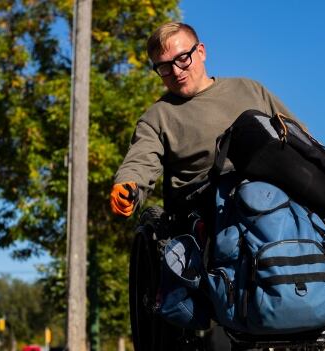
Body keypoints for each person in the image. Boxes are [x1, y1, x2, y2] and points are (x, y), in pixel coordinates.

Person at [110, 22, 295, 219]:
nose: (176, 71)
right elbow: (141, 160)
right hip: (203, 217)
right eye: (164, 66)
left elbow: (298, 138)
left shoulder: (249, 89)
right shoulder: (158, 116)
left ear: (201, 51)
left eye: (182, 58)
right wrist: (129, 185)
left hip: (274, 201)